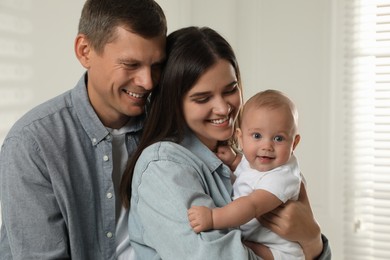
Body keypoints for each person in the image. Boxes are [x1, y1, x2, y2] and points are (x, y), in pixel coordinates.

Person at [120, 26, 331, 259]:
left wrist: (312, 239)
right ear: (174, 102)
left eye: (231, 90)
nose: (223, 108)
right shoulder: (164, 167)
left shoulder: (248, 157)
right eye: (202, 98)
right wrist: (311, 245)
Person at [0, 0, 166, 259]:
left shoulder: (165, 128)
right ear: (85, 51)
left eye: (156, 66)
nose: (147, 82)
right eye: (131, 65)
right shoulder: (32, 144)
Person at [188, 89, 306, 259]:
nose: (267, 146)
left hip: (279, 252)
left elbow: (252, 205)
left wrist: (214, 218)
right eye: (257, 136)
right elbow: (248, 173)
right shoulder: (257, 161)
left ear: (294, 143)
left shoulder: (284, 176)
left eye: (278, 138)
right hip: (255, 237)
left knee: (239, 249)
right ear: (241, 138)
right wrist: (234, 160)